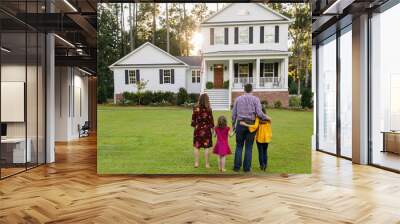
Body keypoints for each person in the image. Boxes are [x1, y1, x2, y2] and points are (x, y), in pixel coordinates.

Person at [232, 84, 271, 172]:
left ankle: (236, 167)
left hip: (240, 124)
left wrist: (233, 125)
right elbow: (259, 113)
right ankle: (246, 168)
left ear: (244, 89)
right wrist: (267, 117)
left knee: (239, 146)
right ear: (252, 90)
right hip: (251, 125)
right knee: (249, 147)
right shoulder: (256, 99)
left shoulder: (238, 99)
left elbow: (234, 114)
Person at [240, 107, 272, 171]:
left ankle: (262, 165)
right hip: (267, 138)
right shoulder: (268, 119)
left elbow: (254, 126)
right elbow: (270, 121)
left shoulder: (257, 119)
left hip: (260, 138)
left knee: (260, 152)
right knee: (265, 152)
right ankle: (265, 165)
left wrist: (245, 124)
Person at [191, 93, 214, 168]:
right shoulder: (209, 109)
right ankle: (207, 164)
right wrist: (213, 130)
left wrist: (196, 126)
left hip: (197, 130)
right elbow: (211, 121)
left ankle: (196, 163)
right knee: (206, 147)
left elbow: (193, 121)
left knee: (196, 147)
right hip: (207, 130)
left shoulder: (195, 108)